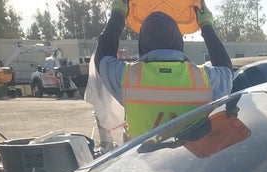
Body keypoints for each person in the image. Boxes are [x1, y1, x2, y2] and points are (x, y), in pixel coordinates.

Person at [94, 0, 233, 139]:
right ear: (179, 41)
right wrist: (206, 25)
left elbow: (102, 56)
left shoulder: (127, 78)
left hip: (141, 160)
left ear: (142, 43)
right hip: (192, 160)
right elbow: (226, 69)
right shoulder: (204, 80)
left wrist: (118, 14)